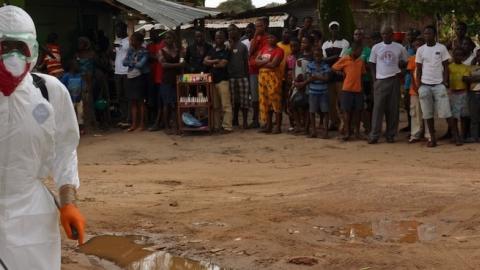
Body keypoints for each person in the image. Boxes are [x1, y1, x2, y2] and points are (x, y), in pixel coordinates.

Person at [0, 6, 85, 270]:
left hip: (32, 216)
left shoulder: (49, 91)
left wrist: (68, 201)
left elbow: (65, 147)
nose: (12, 56)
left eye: (20, 47)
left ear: (33, 50)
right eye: (4, 47)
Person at [416, 25, 458, 147]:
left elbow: (446, 67)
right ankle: (432, 139)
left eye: (429, 33)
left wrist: (445, 81)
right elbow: (418, 69)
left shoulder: (441, 48)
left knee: (446, 112)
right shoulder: (421, 50)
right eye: (425, 33)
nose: (427, 36)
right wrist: (419, 85)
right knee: (427, 114)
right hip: (425, 85)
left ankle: (456, 136)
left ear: (434, 35)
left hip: (439, 85)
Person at [368, 26, 408, 144]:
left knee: (393, 109)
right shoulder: (376, 47)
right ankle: (374, 135)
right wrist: (375, 79)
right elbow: (372, 64)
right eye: (383, 34)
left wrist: (402, 71)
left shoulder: (400, 47)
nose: (385, 36)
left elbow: (406, 63)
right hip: (380, 80)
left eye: (387, 34)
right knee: (378, 109)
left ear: (392, 34)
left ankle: (390, 134)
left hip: (394, 79)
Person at [341, 28, 372, 134]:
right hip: (350, 83)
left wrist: (360, 64)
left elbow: (370, 67)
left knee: (364, 106)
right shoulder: (348, 50)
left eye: (360, 34)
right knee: (350, 107)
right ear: (353, 36)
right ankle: (348, 128)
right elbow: (341, 66)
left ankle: (367, 127)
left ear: (363, 37)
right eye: (356, 34)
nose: (358, 36)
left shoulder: (368, 50)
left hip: (365, 81)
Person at [333, 42, 366, 141]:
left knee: (358, 111)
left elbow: (362, 74)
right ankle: (347, 132)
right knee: (346, 112)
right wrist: (341, 73)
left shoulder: (361, 61)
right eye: (359, 51)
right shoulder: (345, 59)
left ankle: (357, 132)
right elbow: (334, 67)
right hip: (347, 89)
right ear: (354, 50)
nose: (360, 53)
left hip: (358, 89)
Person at [322, 21, 350, 132]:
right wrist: (335, 57)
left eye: (336, 28)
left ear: (338, 29)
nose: (334, 30)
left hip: (340, 76)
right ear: (329, 30)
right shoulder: (325, 44)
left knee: (341, 100)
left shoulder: (345, 43)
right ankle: (334, 122)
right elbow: (324, 59)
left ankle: (345, 124)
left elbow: (342, 59)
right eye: (332, 28)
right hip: (330, 76)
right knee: (331, 101)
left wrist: (331, 60)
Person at [204, 30, 233, 133]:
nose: (218, 39)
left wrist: (211, 63)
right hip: (213, 81)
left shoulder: (227, 50)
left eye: (220, 38)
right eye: (217, 38)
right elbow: (205, 61)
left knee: (225, 105)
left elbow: (223, 64)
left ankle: (227, 127)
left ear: (224, 38)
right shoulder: (212, 50)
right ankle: (217, 126)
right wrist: (215, 61)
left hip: (223, 80)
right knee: (215, 106)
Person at [256, 33, 285, 134]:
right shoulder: (264, 48)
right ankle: (268, 125)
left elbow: (274, 64)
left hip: (273, 77)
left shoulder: (279, 50)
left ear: (277, 39)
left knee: (275, 100)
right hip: (262, 77)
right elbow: (256, 61)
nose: (269, 39)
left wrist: (262, 61)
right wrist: (268, 61)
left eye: (272, 37)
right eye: (268, 37)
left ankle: (278, 126)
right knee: (265, 101)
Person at [123, 32, 150, 132]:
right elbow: (124, 62)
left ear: (139, 41)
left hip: (140, 77)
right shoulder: (131, 50)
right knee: (133, 101)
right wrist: (134, 62)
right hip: (131, 77)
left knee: (141, 102)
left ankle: (142, 124)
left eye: (133, 40)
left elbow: (141, 65)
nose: (131, 42)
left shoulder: (144, 52)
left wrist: (131, 63)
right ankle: (134, 124)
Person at [158, 31, 184, 134]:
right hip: (167, 80)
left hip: (177, 79)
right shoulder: (161, 51)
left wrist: (178, 66)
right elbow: (163, 65)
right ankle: (167, 126)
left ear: (173, 39)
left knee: (177, 103)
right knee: (167, 104)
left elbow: (183, 63)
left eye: (169, 38)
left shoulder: (178, 51)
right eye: (166, 38)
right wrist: (178, 65)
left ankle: (177, 125)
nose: (167, 40)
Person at [304, 47, 331, 138]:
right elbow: (309, 78)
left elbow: (326, 79)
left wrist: (315, 77)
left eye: (319, 56)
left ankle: (325, 131)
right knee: (312, 111)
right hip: (313, 91)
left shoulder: (326, 66)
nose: (317, 57)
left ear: (322, 56)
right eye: (316, 56)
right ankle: (314, 131)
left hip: (323, 92)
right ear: (313, 56)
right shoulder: (310, 65)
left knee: (325, 111)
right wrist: (320, 77)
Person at [228, 24, 250, 129]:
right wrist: (230, 46)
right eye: (229, 30)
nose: (231, 32)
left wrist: (247, 77)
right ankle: (235, 119)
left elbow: (246, 63)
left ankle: (245, 121)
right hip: (231, 77)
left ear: (238, 31)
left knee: (244, 100)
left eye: (233, 30)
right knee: (234, 100)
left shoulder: (243, 46)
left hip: (242, 76)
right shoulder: (226, 45)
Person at [249, 17, 269, 128]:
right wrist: (256, 37)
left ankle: (266, 121)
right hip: (254, 71)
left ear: (265, 26)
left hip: (264, 70)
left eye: (260, 26)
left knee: (265, 96)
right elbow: (251, 52)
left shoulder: (268, 39)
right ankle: (255, 119)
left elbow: (266, 55)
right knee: (255, 97)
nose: (258, 28)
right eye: (256, 26)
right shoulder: (254, 39)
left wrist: (257, 61)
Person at [290, 36, 314, 134]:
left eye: (305, 43)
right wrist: (294, 81)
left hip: (308, 84)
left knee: (307, 106)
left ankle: (307, 127)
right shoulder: (299, 54)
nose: (303, 44)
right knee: (293, 103)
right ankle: (298, 125)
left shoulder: (313, 56)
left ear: (311, 44)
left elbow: (313, 72)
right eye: (302, 43)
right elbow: (293, 69)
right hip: (297, 83)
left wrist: (304, 83)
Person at [406, 37, 428, 143]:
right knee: (415, 113)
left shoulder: (428, 58)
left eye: (420, 45)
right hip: (415, 90)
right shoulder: (412, 59)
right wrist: (416, 87)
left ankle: (428, 134)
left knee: (427, 112)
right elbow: (412, 75)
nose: (418, 47)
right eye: (416, 45)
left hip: (427, 87)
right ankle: (415, 134)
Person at [448, 47, 471, 144]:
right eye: (456, 55)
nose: (458, 57)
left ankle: (462, 136)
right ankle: (456, 136)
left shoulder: (466, 67)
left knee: (464, 116)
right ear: (453, 56)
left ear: (464, 57)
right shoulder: (449, 67)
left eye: (460, 55)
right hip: (453, 93)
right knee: (454, 116)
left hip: (463, 93)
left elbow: (466, 80)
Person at [147, 28, 166, 131]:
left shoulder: (163, 44)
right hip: (152, 76)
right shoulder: (150, 45)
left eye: (152, 34)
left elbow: (159, 58)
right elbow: (149, 56)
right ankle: (157, 121)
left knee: (161, 101)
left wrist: (154, 57)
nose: (150, 36)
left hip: (161, 77)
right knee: (153, 100)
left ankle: (160, 122)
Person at [61, 60, 86, 135]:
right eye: (75, 65)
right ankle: (71, 130)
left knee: (80, 113)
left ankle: (81, 129)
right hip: (70, 99)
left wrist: (82, 95)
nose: (77, 67)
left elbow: (82, 87)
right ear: (71, 67)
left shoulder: (79, 76)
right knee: (71, 114)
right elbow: (62, 85)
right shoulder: (66, 76)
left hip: (79, 98)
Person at [113, 21, 130, 126]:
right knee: (120, 96)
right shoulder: (117, 40)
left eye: (118, 30)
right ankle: (123, 117)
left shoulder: (129, 41)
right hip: (117, 72)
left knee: (127, 96)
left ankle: (129, 118)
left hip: (126, 72)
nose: (117, 32)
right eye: (116, 30)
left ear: (124, 29)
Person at [465, 50, 480, 143]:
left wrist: (473, 78)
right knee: (474, 117)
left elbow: (470, 79)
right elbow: (466, 79)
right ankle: (474, 136)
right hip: (473, 93)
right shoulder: (471, 68)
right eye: (478, 56)